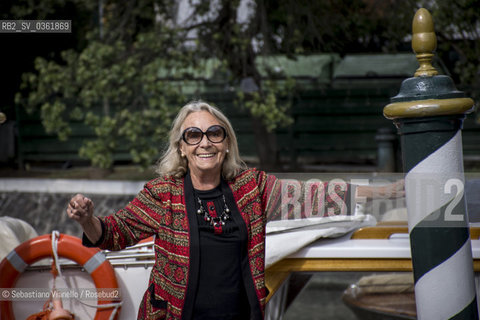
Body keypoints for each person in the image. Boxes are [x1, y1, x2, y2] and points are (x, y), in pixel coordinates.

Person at [67, 101, 404, 320]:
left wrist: (382, 191)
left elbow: (312, 194)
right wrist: (87, 219)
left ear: (226, 143)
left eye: (215, 133)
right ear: (181, 148)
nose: (205, 142)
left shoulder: (250, 187)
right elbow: (115, 233)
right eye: (193, 135)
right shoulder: (163, 193)